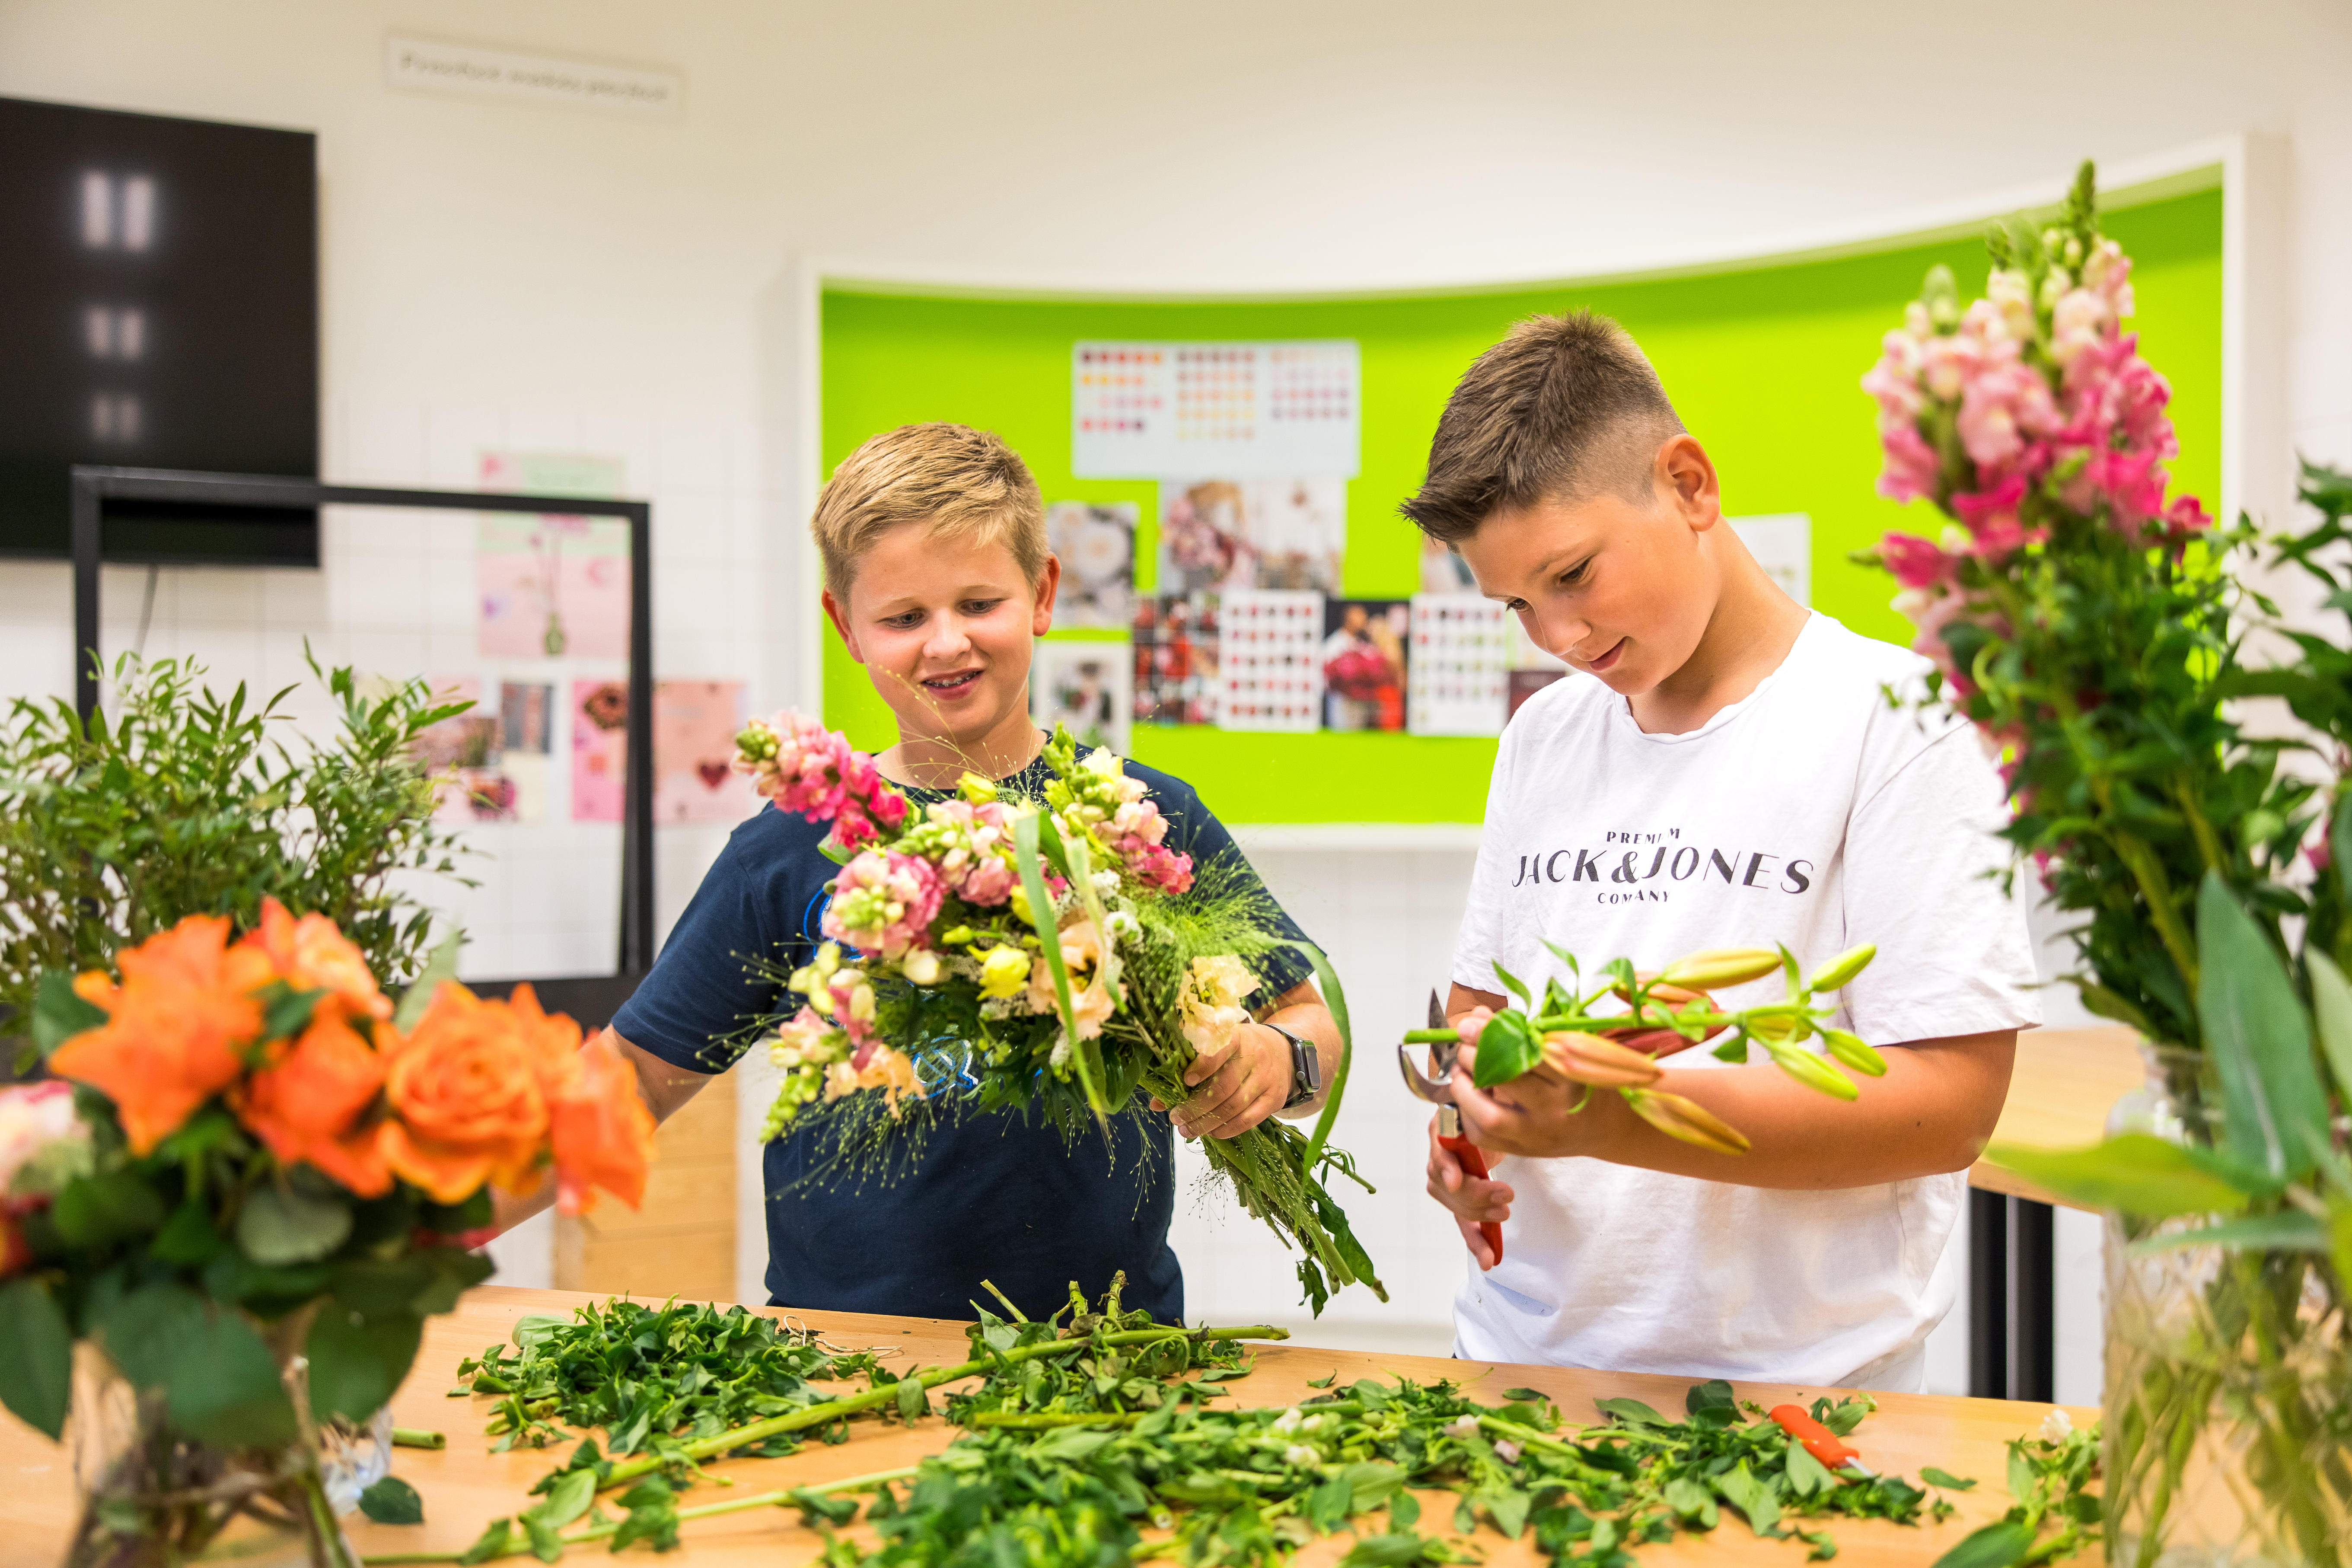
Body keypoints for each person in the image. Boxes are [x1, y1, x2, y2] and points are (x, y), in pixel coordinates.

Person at [501, 423, 1339, 1323]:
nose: (946, 644)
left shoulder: (1144, 818)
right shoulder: (787, 849)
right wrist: (425, 1222)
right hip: (845, 1355)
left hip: (1113, 1356)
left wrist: (1275, 1061)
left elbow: (1313, 1017)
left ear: (1044, 591)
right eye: (904, 617)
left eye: (980, 603)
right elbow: (630, 1074)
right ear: (846, 627)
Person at [1405, 312, 2038, 1391]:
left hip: (1798, 1394)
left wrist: (1604, 1116)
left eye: (1573, 575)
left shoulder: (1901, 718)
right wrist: (1473, 1130)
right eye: (1517, 603)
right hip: (1517, 1365)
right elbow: (1477, 1026)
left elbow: (1950, 1108)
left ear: (1691, 484)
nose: (1556, 639)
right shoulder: (1543, 737)